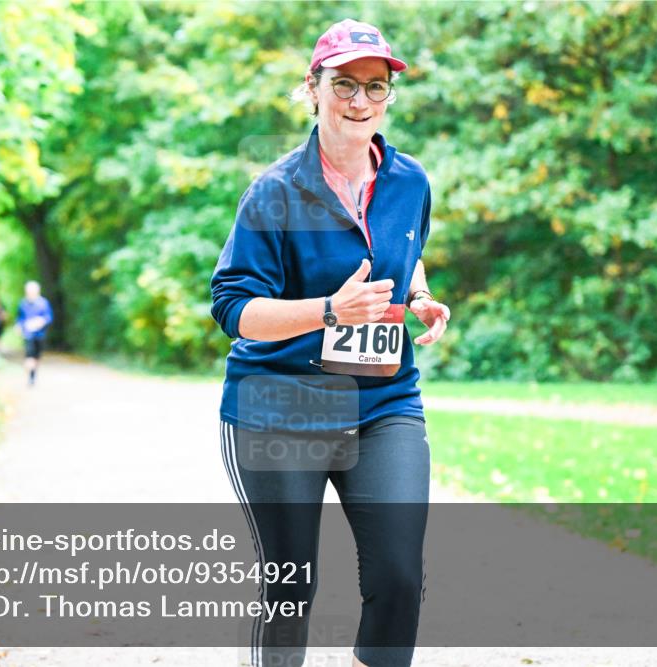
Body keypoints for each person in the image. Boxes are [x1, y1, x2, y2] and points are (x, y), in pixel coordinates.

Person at [210, 19, 451, 667]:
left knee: (399, 576)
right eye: (344, 83)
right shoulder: (274, 193)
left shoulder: (410, 181)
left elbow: (407, 251)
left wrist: (419, 296)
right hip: (279, 405)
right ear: (312, 89)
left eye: (376, 87)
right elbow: (234, 309)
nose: (360, 101)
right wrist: (327, 310)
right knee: (291, 587)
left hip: (382, 401)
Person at [16, 280, 53, 386]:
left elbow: (49, 317)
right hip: (28, 334)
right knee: (29, 356)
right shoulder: (22, 303)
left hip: (40, 334)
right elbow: (19, 318)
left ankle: (33, 374)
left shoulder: (43, 303)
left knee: (37, 357)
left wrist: (41, 321)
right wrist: (19, 326)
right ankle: (29, 377)